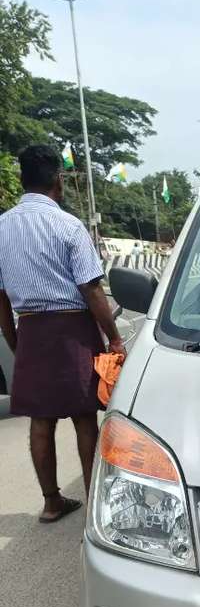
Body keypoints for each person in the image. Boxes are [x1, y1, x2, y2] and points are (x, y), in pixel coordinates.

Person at [0, 145, 126, 523]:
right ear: (57, 180)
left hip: (32, 328)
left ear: (22, 179)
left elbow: (1, 299)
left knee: (41, 419)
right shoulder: (68, 225)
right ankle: (92, 506)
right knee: (84, 418)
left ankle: (52, 502)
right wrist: (115, 338)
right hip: (72, 327)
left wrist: (16, 344)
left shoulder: (2, 226)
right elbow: (91, 290)